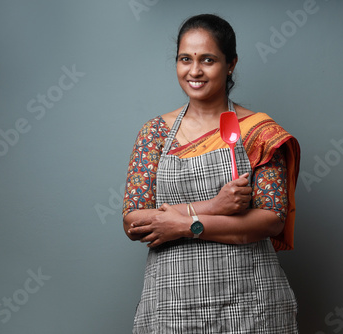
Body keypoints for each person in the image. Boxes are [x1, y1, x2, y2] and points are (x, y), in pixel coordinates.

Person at [122, 13, 300, 333]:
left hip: (250, 303)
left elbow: (272, 219)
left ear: (230, 64)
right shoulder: (154, 133)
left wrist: (184, 225)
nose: (194, 71)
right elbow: (134, 222)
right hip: (172, 303)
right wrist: (211, 208)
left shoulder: (256, 130)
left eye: (208, 60)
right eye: (185, 59)